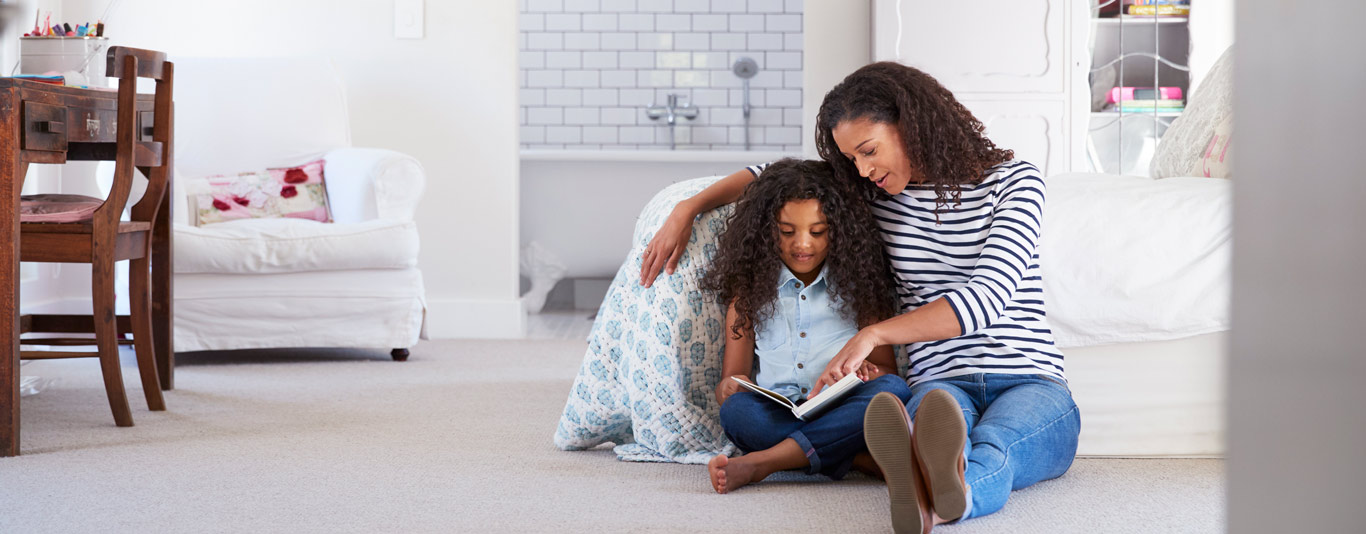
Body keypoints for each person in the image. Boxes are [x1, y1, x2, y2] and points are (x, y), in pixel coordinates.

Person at [642, 63, 1080, 532]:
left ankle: (948, 496)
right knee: (937, 429)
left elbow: (988, 296)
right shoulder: (876, 191)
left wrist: (873, 335)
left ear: (912, 125)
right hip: (940, 383)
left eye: (869, 151)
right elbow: (773, 177)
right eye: (852, 160)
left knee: (999, 442)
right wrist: (687, 207)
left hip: (1028, 375)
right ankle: (935, 483)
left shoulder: (1014, 182)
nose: (863, 170)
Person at [698, 158, 912, 494]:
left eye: (817, 231)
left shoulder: (862, 288)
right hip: (779, 412)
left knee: (893, 393)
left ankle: (763, 463)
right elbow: (731, 380)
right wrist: (729, 388)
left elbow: (886, 372)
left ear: (838, 230)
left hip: (841, 406)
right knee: (738, 414)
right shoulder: (748, 296)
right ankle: (851, 457)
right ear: (767, 231)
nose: (803, 244)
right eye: (787, 231)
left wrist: (869, 371)